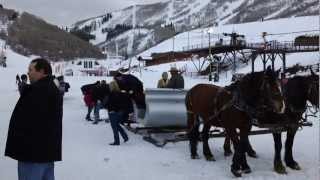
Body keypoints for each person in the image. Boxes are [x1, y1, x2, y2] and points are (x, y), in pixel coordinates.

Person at [5, 58, 63, 180]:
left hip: (32, 155)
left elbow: (29, 122)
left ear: (41, 71)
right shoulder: (50, 87)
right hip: (45, 153)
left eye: (30, 70)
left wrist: (26, 90)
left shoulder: (39, 91)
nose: (28, 73)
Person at [105, 81, 132, 145]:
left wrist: (108, 108)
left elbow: (109, 104)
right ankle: (125, 137)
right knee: (117, 125)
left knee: (114, 127)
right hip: (120, 112)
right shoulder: (121, 93)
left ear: (111, 87)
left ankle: (117, 141)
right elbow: (125, 102)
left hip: (113, 112)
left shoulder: (111, 94)